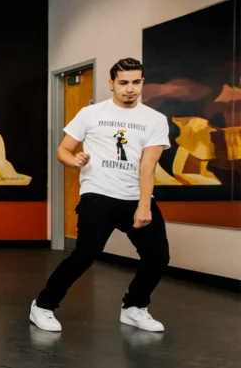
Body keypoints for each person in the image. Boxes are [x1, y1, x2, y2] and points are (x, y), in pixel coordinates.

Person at [30, 58, 171, 333]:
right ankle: (43, 306)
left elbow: (148, 165)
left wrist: (144, 205)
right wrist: (74, 161)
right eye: (123, 83)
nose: (130, 89)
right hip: (98, 194)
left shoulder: (154, 119)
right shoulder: (90, 113)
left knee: (158, 257)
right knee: (85, 254)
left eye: (136, 82)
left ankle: (134, 307)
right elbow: (63, 150)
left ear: (142, 82)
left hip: (134, 197)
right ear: (111, 84)